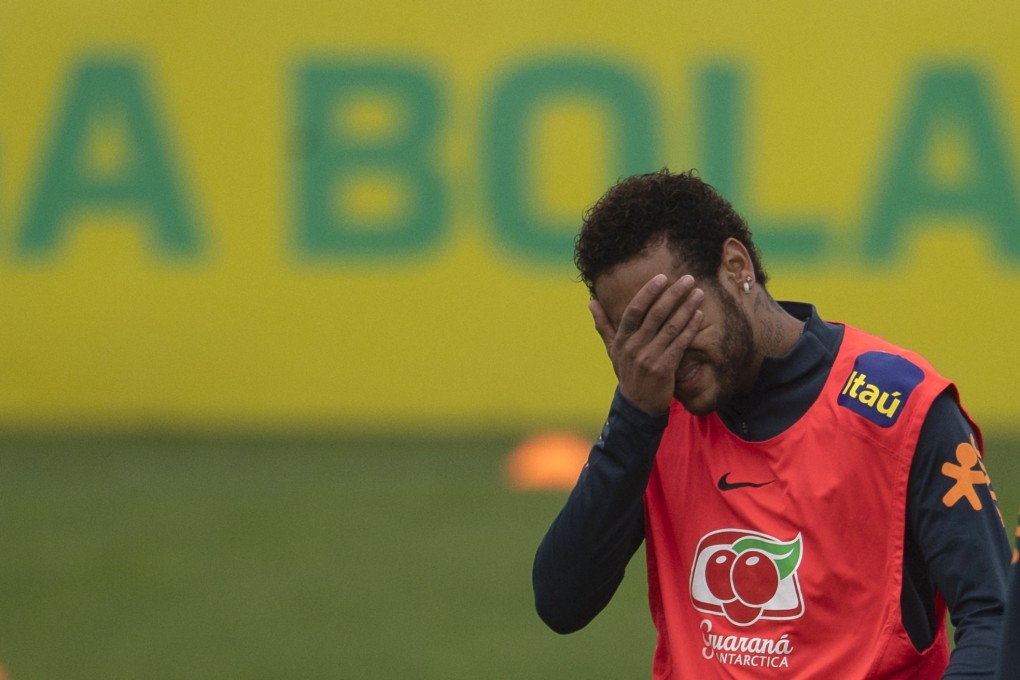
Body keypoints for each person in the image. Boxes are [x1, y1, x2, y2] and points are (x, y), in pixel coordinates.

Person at [533, 169, 1011, 678]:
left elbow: (996, 618)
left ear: (735, 267)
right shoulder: (652, 416)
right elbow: (563, 603)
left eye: (672, 318)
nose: (662, 356)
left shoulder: (904, 408)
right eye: (639, 334)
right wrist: (632, 416)